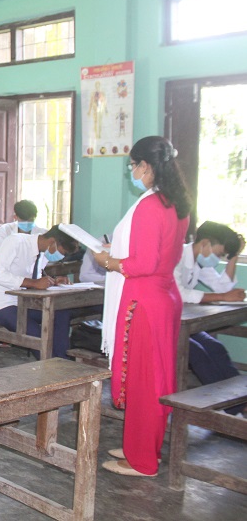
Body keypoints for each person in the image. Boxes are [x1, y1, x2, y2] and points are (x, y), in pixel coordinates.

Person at [93, 136, 192, 477]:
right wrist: (117, 252)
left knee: (145, 383)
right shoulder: (175, 202)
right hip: (163, 295)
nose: (132, 172)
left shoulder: (151, 205)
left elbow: (144, 263)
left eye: (133, 165)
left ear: (146, 166)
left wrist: (109, 261)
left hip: (145, 301)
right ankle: (141, 446)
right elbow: (156, 253)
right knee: (154, 379)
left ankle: (143, 461)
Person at [174, 221, 245, 412]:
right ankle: (234, 408)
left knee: (215, 347)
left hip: (182, 322)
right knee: (198, 353)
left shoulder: (199, 261)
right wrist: (223, 297)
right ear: (205, 243)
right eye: (219, 254)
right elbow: (179, 293)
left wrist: (233, 257)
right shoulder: (177, 256)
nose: (218, 258)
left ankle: (240, 400)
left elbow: (223, 287)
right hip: (165, 323)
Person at [0, 226, 80, 359]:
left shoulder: (43, 253)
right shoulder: (15, 242)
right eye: (61, 252)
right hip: (2, 304)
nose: (61, 257)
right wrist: (34, 283)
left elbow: (35, 277)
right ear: (52, 242)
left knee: (60, 313)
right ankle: (52, 367)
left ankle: (62, 360)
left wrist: (52, 281)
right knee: (37, 336)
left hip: (25, 303)